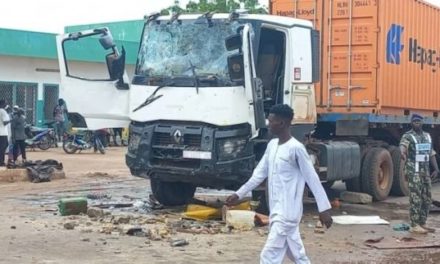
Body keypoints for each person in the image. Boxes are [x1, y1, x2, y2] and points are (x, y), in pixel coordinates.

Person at [226, 104, 332, 264]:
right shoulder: (272, 146)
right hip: (276, 210)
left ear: (282, 123)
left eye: (271, 121)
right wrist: (238, 194)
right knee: (297, 255)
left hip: (288, 213)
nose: (268, 124)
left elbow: (312, 179)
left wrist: (324, 209)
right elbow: (258, 175)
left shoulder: (296, 149)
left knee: (268, 257)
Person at [400, 114, 439, 234]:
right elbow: (402, 145)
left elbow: (431, 153)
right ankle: (414, 224)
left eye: (419, 121)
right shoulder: (408, 136)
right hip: (414, 170)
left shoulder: (427, 136)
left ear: (422, 122)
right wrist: (402, 152)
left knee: (426, 198)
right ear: (411, 123)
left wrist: (436, 169)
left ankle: (422, 222)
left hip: (425, 171)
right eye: (415, 121)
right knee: (415, 197)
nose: (417, 123)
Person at [0, 100, 11, 167]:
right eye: (6, 103)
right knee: (3, 147)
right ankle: (1, 162)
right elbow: (5, 122)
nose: (6, 104)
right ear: (3, 104)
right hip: (2, 133)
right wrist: (11, 120)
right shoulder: (2, 111)